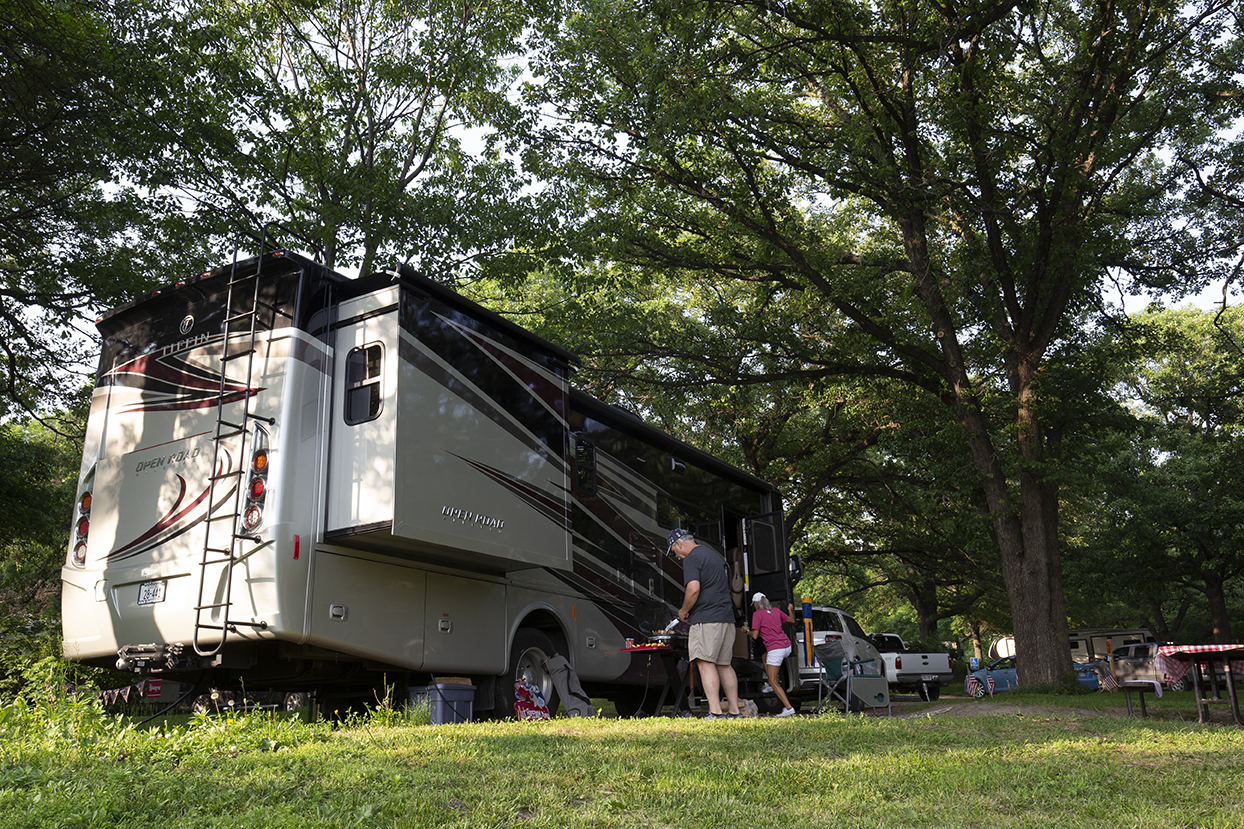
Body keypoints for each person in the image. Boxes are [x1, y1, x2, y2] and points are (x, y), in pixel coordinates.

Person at [668, 527, 741, 719]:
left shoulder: (692, 558)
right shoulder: (712, 554)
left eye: (674, 551)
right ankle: (734, 711)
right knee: (724, 664)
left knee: (705, 663)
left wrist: (684, 611)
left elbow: (693, 589)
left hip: (707, 619)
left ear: (678, 544)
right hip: (726, 617)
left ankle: (715, 712)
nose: (676, 556)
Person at [742, 592, 797, 717]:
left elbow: (755, 636)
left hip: (776, 649)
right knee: (764, 657)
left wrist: (747, 631)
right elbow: (791, 620)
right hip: (786, 646)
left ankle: (788, 708)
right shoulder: (776, 611)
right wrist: (789, 610)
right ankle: (768, 685)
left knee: (774, 681)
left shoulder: (757, 614)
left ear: (756, 604)